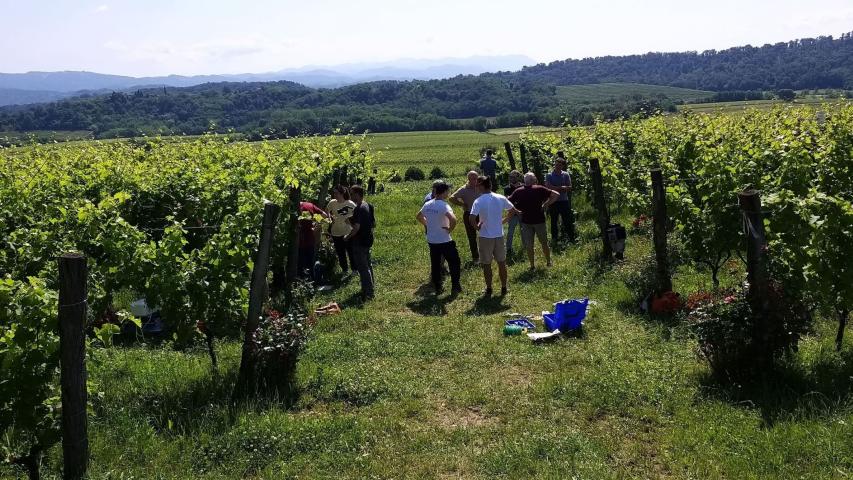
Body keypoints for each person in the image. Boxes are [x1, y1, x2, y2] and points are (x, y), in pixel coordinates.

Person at [470, 175, 518, 296]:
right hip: (499, 235)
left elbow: (471, 219)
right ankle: (503, 287)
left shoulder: (479, 201)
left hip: (485, 236)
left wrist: (477, 227)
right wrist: (505, 220)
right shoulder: (500, 197)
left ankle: (489, 288)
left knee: (486, 264)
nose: (476, 187)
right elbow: (512, 210)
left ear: (481, 186)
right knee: (502, 263)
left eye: (477, 185)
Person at [416, 180, 462, 295]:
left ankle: (438, 288)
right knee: (454, 262)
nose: (449, 193)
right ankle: (455, 287)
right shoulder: (444, 205)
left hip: (432, 240)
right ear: (444, 192)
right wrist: (449, 229)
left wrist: (427, 224)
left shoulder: (428, 204)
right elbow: (453, 219)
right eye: (448, 191)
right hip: (444, 240)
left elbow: (419, 216)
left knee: (435, 264)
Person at [508, 172, 559, 270]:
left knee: (529, 245)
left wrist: (516, 211)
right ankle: (548, 262)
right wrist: (546, 204)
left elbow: (507, 201)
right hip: (539, 221)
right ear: (533, 180)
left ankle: (532, 265)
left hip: (526, 221)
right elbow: (556, 194)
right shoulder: (540, 188)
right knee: (544, 242)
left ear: (525, 180)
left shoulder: (518, 191)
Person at [345, 185, 375, 301]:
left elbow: (356, 228)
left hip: (359, 242)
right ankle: (370, 287)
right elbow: (373, 224)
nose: (351, 196)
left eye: (352, 194)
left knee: (363, 268)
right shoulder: (368, 205)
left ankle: (368, 293)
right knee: (368, 265)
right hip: (368, 240)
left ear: (357, 194)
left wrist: (347, 236)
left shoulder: (358, 209)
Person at [449, 171, 482, 263]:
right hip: (469, 214)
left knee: (485, 234)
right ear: (468, 179)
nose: (474, 181)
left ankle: (486, 254)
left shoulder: (480, 187)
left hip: (481, 214)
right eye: (472, 179)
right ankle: (476, 258)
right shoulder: (463, 189)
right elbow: (451, 198)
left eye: (476, 178)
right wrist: (462, 204)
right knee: (472, 236)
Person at [544, 153, 576, 244]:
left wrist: (556, 187)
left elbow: (569, 187)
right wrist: (562, 188)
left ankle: (571, 238)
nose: (557, 166)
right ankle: (554, 239)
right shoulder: (549, 175)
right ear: (554, 164)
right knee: (554, 221)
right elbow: (548, 187)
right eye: (556, 164)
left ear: (562, 166)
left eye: (560, 165)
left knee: (567, 220)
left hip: (564, 201)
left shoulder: (566, 175)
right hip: (553, 201)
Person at [326, 185, 357, 276]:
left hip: (348, 232)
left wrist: (352, 223)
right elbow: (327, 210)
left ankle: (354, 269)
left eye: (336, 193)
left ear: (342, 193)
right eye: (334, 193)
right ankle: (344, 270)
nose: (335, 195)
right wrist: (329, 217)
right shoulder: (332, 203)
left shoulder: (350, 204)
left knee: (351, 252)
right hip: (335, 231)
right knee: (340, 253)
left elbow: (357, 215)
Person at [298, 201, 329, 279]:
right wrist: (317, 226)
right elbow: (324, 215)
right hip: (310, 239)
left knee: (300, 265)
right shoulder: (308, 205)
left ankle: (302, 282)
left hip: (299, 241)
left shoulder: (294, 208)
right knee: (310, 262)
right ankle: (313, 282)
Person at [503, 170, 523, 257]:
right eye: (510, 177)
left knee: (524, 231)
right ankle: (508, 249)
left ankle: (525, 247)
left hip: (523, 213)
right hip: (512, 213)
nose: (511, 179)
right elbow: (508, 202)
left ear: (518, 177)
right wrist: (516, 211)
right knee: (510, 231)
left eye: (514, 177)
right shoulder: (507, 188)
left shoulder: (523, 186)